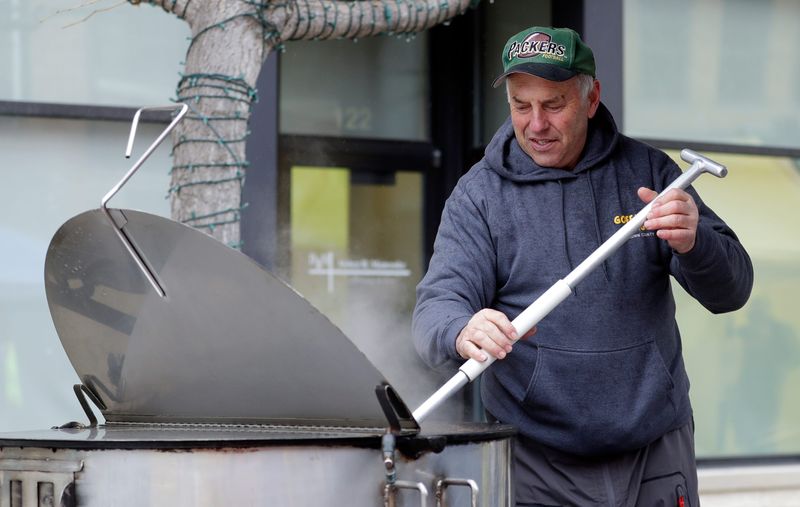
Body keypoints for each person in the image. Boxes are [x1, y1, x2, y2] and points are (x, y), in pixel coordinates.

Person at [412, 26, 753, 506]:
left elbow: (732, 291)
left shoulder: (650, 174)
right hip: (535, 458)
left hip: (653, 450)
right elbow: (434, 308)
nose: (535, 124)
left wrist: (696, 244)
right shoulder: (479, 195)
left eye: (553, 105)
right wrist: (461, 328)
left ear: (591, 99)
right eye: (520, 105)